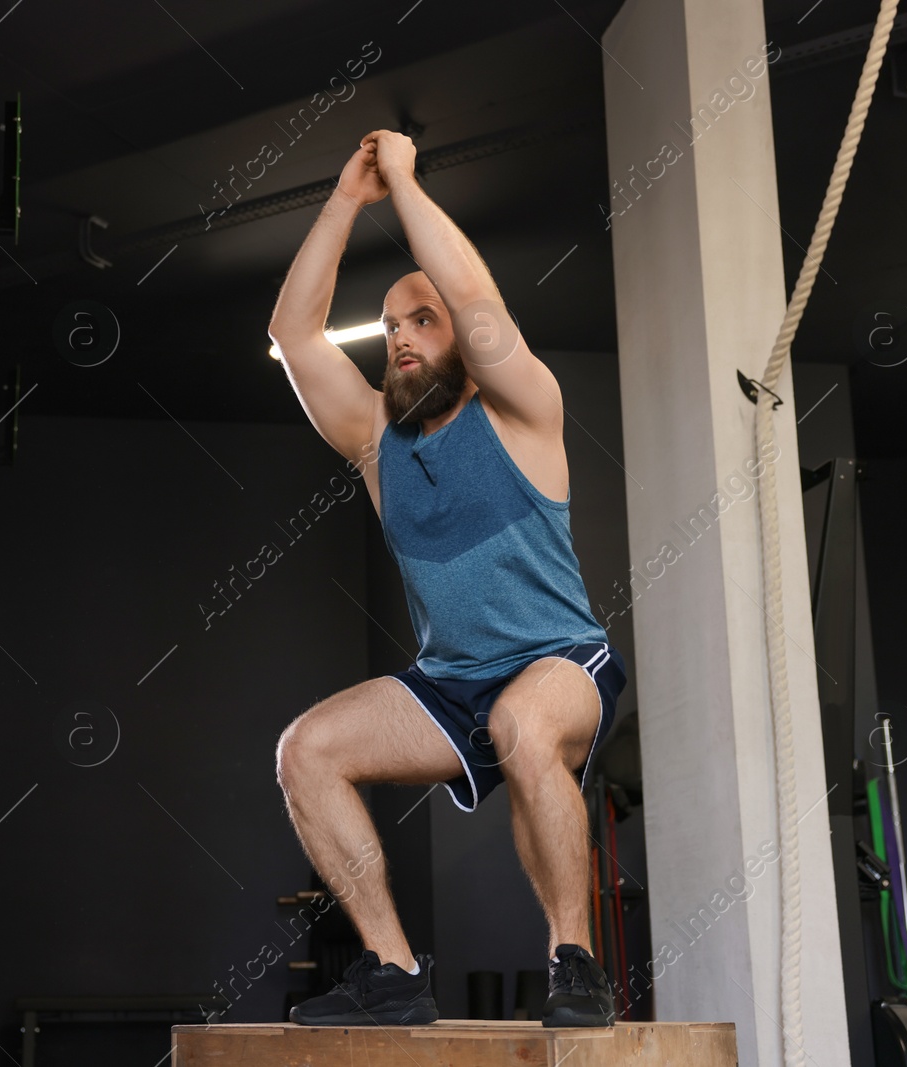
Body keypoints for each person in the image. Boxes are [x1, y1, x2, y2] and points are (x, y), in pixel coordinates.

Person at [265, 129, 628, 1029]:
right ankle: (392, 972)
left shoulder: (522, 409)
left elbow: (472, 293)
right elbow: (291, 335)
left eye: (419, 320)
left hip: (560, 662)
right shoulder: (375, 445)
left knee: (521, 722)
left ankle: (573, 963)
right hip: (450, 681)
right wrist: (348, 198)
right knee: (304, 752)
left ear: (461, 337)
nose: (400, 338)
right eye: (389, 327)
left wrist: (406, 184)